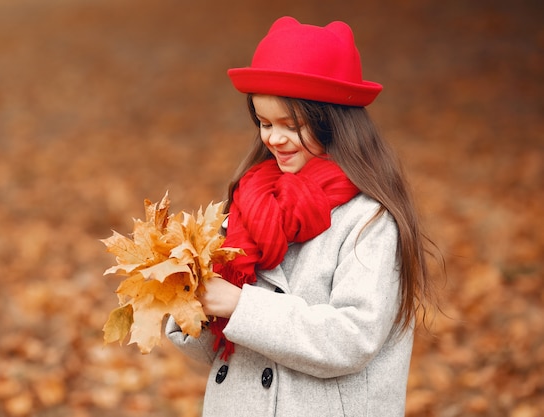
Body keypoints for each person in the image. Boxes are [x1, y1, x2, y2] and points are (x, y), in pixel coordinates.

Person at [166, 16, 436, 417]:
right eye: (263, 123)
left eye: (291, 126)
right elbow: (218, 353)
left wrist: (241, 305)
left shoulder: (368, 220)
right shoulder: (246, 205)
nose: (274, 138)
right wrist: (194, 305)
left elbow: (352, 338)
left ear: (334, 124)